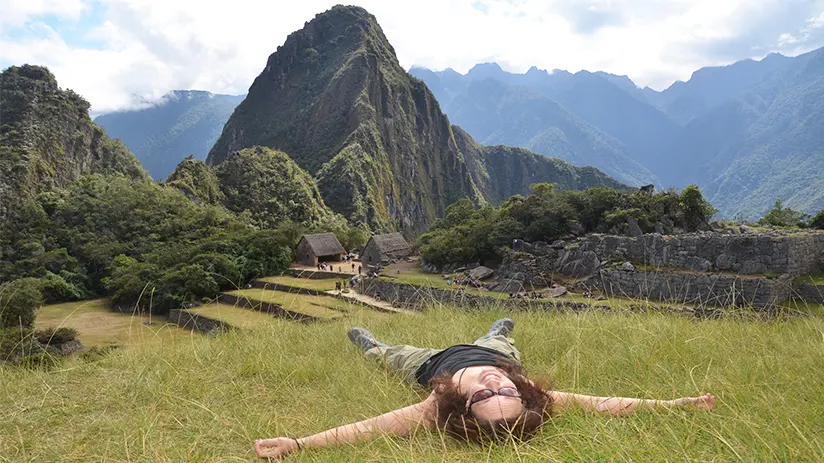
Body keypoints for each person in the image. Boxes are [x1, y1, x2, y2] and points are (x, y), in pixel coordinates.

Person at [254, 319, 716, 458]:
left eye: (484, 398)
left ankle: (369, 343)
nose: (495, 388)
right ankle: (501, 328)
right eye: (507, 395)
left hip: (431, 361)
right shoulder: (512, 376)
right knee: (499, 340)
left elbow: (369, 428)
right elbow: (604, 404)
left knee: (389, 355)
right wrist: (675, 404)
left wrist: (297, 443)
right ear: (522, 394)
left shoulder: (436, 404)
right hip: (492, 349)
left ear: (461, 406)